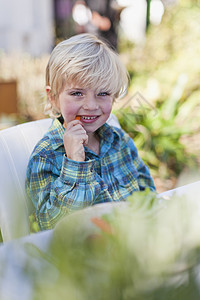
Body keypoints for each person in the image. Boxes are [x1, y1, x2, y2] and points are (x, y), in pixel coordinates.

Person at [26, 33, 156, 231]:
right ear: (53, 98)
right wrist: (75, 163)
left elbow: (148, 195)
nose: (91, 105)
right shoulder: (46, 156)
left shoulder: (120, 142)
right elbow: (51, 226)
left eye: (102, 93)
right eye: (77, 93)